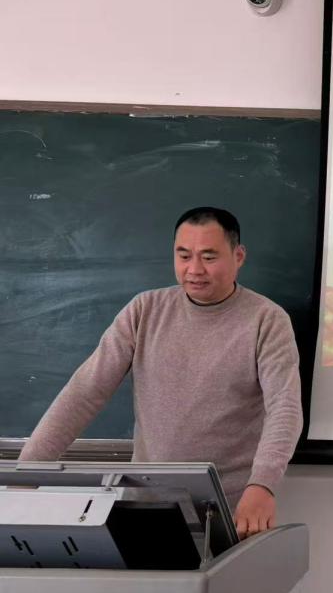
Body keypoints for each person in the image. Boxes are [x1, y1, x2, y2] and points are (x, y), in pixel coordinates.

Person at [19, 207, 303, 539]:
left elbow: (284, 408)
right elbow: (85, 391)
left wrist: (263, 485)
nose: (194, 269)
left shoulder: (267, 320)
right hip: (146, 503)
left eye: (209, 257)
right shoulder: (145, 311)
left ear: (238, 256)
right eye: (184, 256)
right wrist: (28, 470)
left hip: (232, 511)